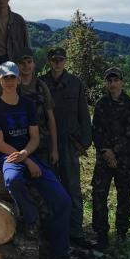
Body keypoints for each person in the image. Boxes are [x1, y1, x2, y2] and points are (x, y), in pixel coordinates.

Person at [0, 61, 73, 259]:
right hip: (8, 157)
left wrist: (26, 154)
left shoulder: (27, 104)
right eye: (5, 78)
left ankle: (59, 251)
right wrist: (25, 160)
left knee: (63, 201)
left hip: (30, 154)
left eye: (12, 77)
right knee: (13, 179)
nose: (9, 81)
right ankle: (31, 218)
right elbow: (0, 144)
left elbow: (34, 137)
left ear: (18, 80)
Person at [42, 47, 93, 248]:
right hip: (48, 143)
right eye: (54, 59)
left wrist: (84, 142)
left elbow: (83, 114)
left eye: (61, 59)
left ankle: (76, 232)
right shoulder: (41, 83)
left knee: (73, 188)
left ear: (65, 61)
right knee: (50, 188)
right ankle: (52, 230)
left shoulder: (75, 83)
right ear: (49, 61)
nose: (57, 63)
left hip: (70, 143)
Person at [91, 67, 130, 250]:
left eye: (116, 80)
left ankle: (122, 233)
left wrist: (115, 152)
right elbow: (96, 131)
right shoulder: (101, 104)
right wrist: (106, 152)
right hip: (104, 159)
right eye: (109, 81)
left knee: (124, 196)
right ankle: (101, 234)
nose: (112, 84)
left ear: (122, 82)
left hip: (125, 160)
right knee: (98, 195)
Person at [0, 48, 58, 166]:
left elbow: (51, 118)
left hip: (40, 143)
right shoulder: (9, 83)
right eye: (22, 63)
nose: (26, 66)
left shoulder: (41, 86)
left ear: (34, 64)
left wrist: (54, 148)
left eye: (29, 62)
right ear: (16, 65)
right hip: (15, 143)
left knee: (42, 173)